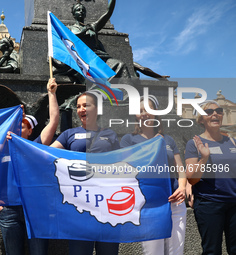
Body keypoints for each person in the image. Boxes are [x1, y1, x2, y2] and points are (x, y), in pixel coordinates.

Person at [50, 92, 120, 255]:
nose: (81, 109)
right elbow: (46, 153)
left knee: (108, 251)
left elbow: (119, 163)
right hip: (80, 205)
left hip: (106, 204)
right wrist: (20, 143)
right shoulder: (68, 134)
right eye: (79, 106)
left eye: (86, 105)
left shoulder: (110, 134)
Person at [0, 78, 59, 255]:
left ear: (31, 130)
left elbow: (54, 120)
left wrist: (52, 94)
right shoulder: (1, 149)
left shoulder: (37, 146)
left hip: (36, 208)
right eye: (15, 125)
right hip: (9, 210)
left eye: (22, 125)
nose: (18, 128)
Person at [120, 95, 187, 255]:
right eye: (140, 110)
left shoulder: (168, 139)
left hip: (175, 202)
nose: (144, 113)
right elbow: (126, 169)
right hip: (150, 203)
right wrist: (152, 147)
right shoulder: (129, 140)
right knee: (153, 252)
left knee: (176, 252)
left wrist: (182, 187)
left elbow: (181, 170)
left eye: (148, 109)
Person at [185, 100, 236, 255]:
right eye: (209, 112)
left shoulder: (232, 141)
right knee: (212, 251)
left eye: (219, 111)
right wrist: (204, 158)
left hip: (234, 204)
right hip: (209, 204)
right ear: (201, 119)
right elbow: (192, 179)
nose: (215, 114)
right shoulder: (194, 143)